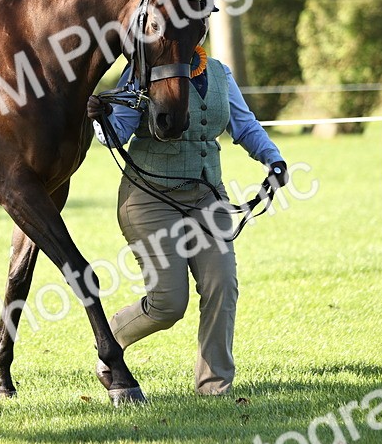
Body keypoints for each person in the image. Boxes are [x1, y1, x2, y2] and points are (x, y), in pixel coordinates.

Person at [86, 39, 288, 396]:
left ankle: (214, 388)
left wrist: (274, 159)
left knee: (222, 285)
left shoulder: (220, 73)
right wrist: (101, 118)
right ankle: (111, 338)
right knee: (168, 304)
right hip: (149, 199)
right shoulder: (140, 71)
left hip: (207, 197)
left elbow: (244, 125)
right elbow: (115, 133)